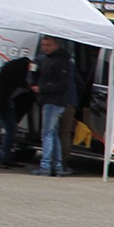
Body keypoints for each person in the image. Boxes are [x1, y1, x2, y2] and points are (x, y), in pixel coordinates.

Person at [33, 36, 75, 176]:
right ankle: (57, 165)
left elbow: (62, 84)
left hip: (54, 101)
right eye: (44, 44)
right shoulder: (44, 59)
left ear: (56, 45)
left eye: (48, 45)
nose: (45, 47)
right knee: (53, 133)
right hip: (50, 100)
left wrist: (42, 89)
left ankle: (45, 165)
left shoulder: (61, 61)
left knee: (47, 134)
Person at [0, 55, 31, 167]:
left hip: (5, 102)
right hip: (4, 102)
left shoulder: (8, 70)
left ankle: (4, 157)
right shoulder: (18, 72)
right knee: (11, 129)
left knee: (10, 129)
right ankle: (5, 157)